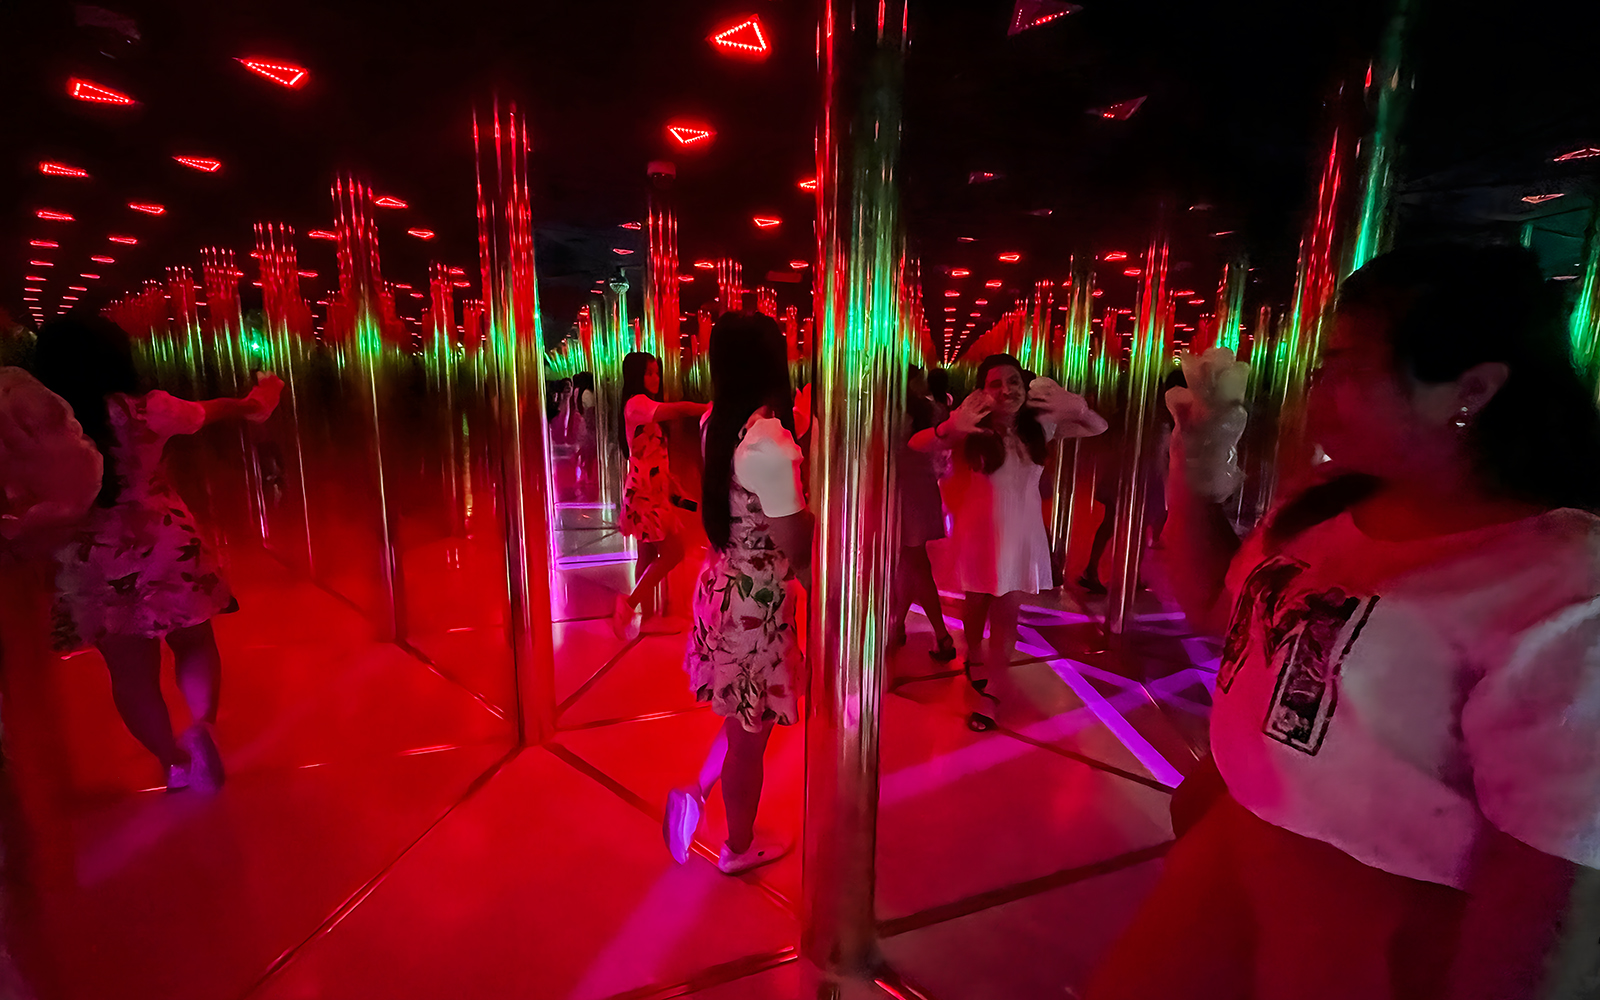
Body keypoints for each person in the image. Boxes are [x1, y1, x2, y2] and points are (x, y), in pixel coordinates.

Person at [1088, 245, 1600, 1000]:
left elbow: (1548, 869)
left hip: (1381, 923)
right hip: (1235, 861)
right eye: (1323, 367)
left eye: (1350, 369)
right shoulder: (1332, 503)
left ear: (1474, 388)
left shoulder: (1558, 581)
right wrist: (1190, 481)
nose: (1320, 391)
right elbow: (1219, 612)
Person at [32, 317, 281, 794]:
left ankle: (173, 760)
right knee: (194, 641)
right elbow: (215, 410)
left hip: (90, 555)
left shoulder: (43, 422)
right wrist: (256, 402)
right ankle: (203, 726)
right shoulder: (147, 410)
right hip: (165, 539)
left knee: (130, 673)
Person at [663, 313, 810, 875]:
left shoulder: (715, 421)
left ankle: (699, 793)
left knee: (741, 714)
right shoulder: (768, 442)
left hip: (724, 585)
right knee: (752, 736)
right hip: (759, 604)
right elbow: (795, 543)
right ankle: (738, 848)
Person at [912, 353, 1107, 730]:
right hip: (978, 533)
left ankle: (994, 693)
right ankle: (973, 653)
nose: (1007, 390)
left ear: (1025, 385)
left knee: (1006, 614)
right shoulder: (973, 428)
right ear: (982, 392)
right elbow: (919, 444)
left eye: (1014, 381)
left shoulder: (1039, 427)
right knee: (976, 603)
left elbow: (1097, 426)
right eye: (995, 383)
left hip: (1021, 536)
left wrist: (1076, 405)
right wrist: (952, 425)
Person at [613, 351, 709, 638]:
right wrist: (707, 406)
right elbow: (676, 410)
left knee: (647, 553)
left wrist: (671, 482)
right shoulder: (637, 404)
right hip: (646, 493)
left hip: (649, 488)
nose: (654, 378)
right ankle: (629, 605)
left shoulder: (642, 406)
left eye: (656, 372)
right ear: (635, 376)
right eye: (648, 373)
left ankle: (649, 614)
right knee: (673, 552)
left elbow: (653, 453)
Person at [889, 366, 957, 661]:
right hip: (921, 487)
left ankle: (942, 635)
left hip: (903, 491)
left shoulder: (890, 414)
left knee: (916, 562)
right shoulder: (931, 410)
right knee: (911, 561)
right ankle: (898, 626)